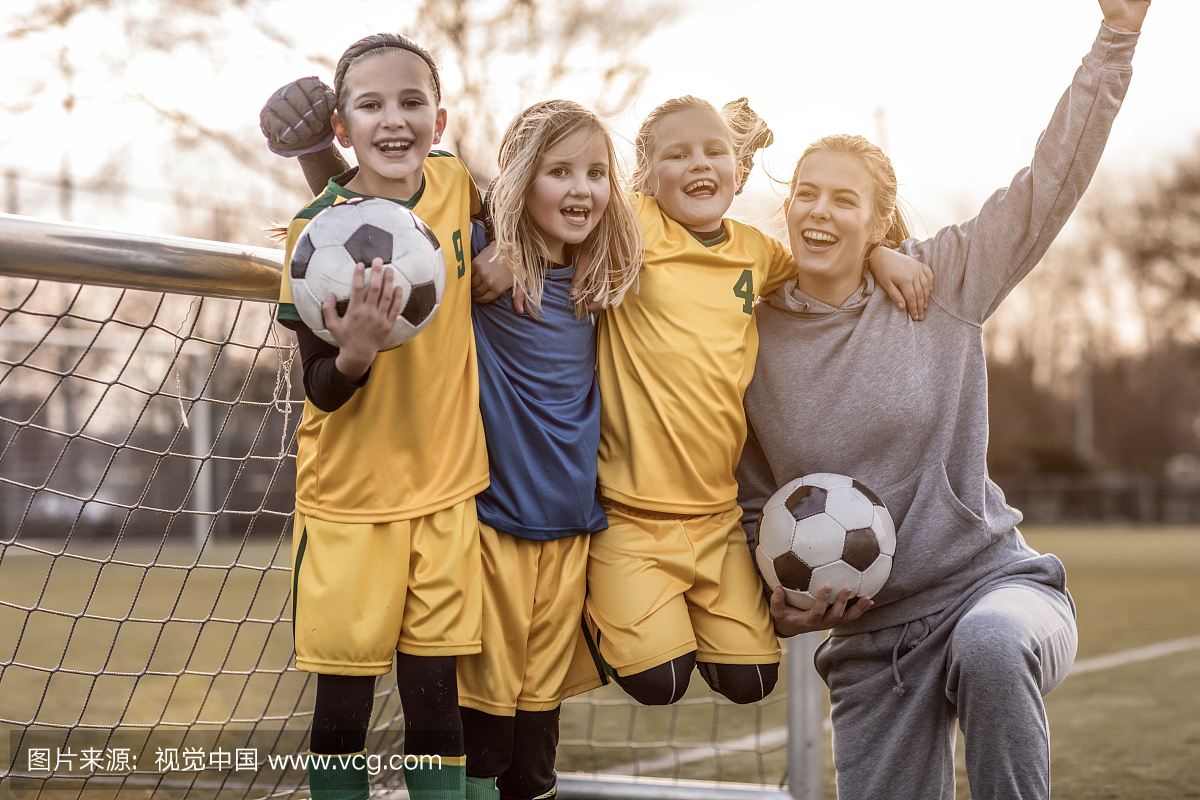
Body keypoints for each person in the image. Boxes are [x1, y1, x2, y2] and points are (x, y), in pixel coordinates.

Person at [735, 2, 1149, 798]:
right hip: (869, 641)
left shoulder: (945, 281)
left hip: (993, 589)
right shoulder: (747, 329)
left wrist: (1117, 41)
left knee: (992, 648)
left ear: (880, 218)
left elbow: (1049, 182)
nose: (820, 213)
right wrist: (779, 596)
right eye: (807, 194)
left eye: (844, 200)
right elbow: (754, 497)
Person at [570, 97, 932, 706]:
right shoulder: (628, 225)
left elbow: (825, 260)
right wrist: (506, 247)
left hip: (716, 521)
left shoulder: (756, 253)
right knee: (659, 685)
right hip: (628, 516)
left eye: (714, 152)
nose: (699, 165)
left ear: (738, 170)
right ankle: (601, 605)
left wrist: (877, 250)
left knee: (751, 682)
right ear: (645, 174)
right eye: (677, 155)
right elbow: (561, 212)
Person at [275, 33, 486, 800]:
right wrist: (357, 351)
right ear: (341, 125)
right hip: (349, 504)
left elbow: (520, 226)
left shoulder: (458, 185)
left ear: (438, 117)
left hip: (447, 491)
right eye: (371, 105)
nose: (393, 120)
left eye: (411, 102)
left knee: (436, 699)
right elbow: (321, 389)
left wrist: (500, 262)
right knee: (344, 706)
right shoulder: (315, 232)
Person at [454, 100, 641, 800]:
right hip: (495, 530)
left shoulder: (605, 276)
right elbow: (389, 202)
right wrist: (495, 243)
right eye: (559, 171)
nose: (581, 188)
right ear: (521, 180)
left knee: (537, 748)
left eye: (596, 172)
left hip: (572, 536)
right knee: (486, 739)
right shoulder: (483, 261)